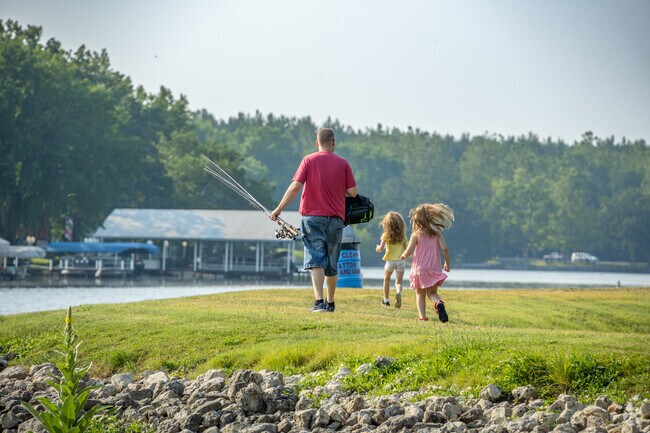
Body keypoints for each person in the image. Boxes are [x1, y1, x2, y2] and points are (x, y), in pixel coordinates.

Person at [270, 128, 358, 313]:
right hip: (335, 219)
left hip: (312, 219)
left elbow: (295, 187)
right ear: (333, 142)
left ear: (317, 142)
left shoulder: (308, 160)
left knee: (315, 259)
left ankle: (318, 302)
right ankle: (331, 302)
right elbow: (353, 193)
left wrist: (278, 209)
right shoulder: (343, 163)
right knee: (332, 262)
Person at [400, 203, 454, 322]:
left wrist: (404, 255)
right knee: (432, 293)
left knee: (420, 294)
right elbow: (444, 249)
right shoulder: (437, 233)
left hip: (420, 270)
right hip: (434, 269)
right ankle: (439, 302)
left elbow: (409, 250)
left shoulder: (416, 235)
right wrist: (447, 263)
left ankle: (422, 317)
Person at [375, 211, 408, 308]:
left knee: (386, 279)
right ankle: (398, 293)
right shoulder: (402, 236)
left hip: (390, 262)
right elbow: (406, 249)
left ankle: (386, 300)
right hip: (401, 261)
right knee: (398, 282)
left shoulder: (385, 235)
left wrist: (377, 248)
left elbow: (380, 248)